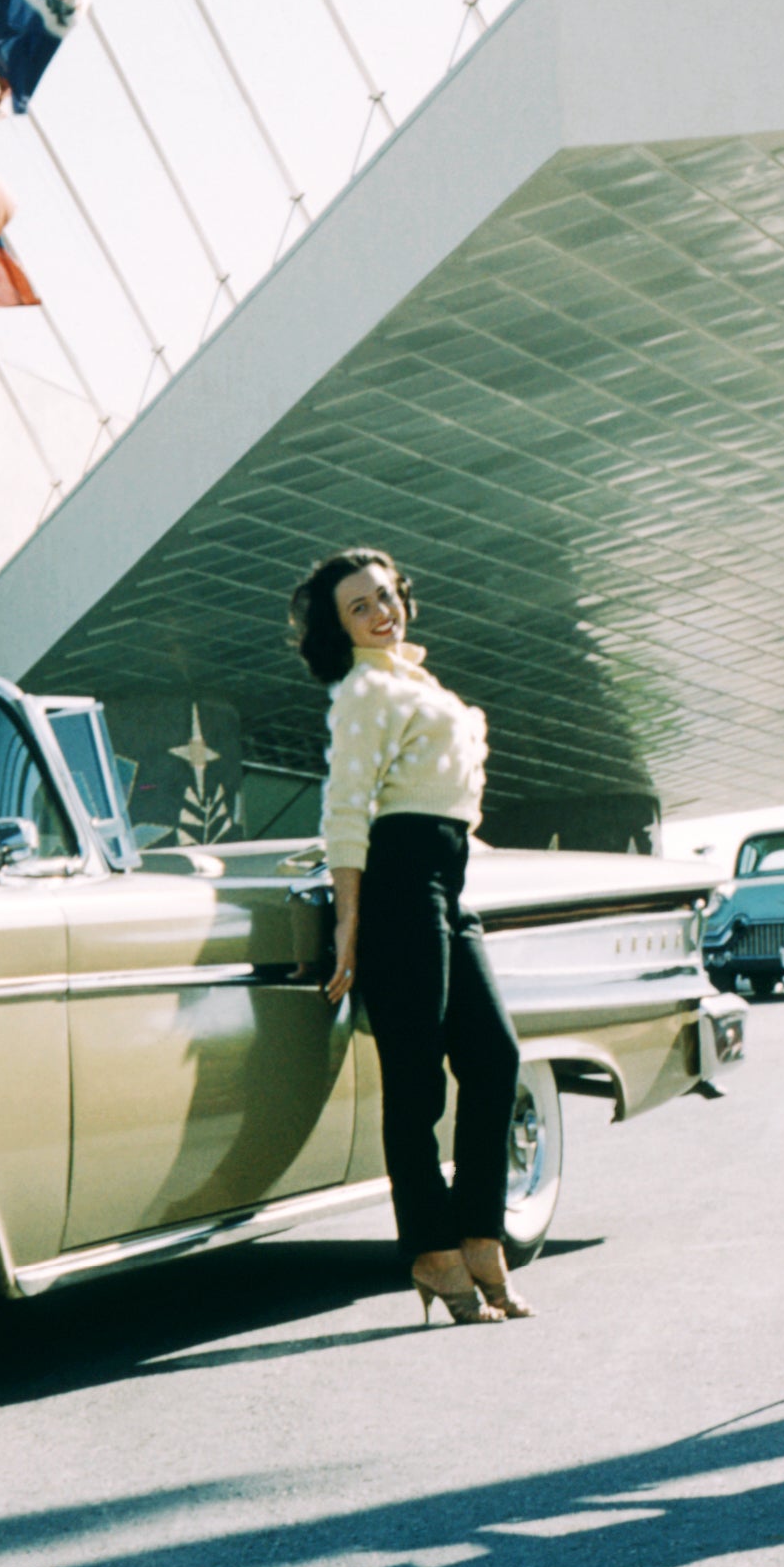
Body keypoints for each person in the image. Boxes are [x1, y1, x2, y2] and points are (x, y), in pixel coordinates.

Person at [291, 547, 527, 1327]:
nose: (379, 612)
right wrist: (351, 921)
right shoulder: (364, 691)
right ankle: (431, 1248)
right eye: (359, 606)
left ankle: (479, 1231)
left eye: (385, 596)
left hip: (443, 879)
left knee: (495, 1056)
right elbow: (348, 808)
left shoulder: (414, 681)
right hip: (396, 883)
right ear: (339, 627)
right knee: (419, 1078)